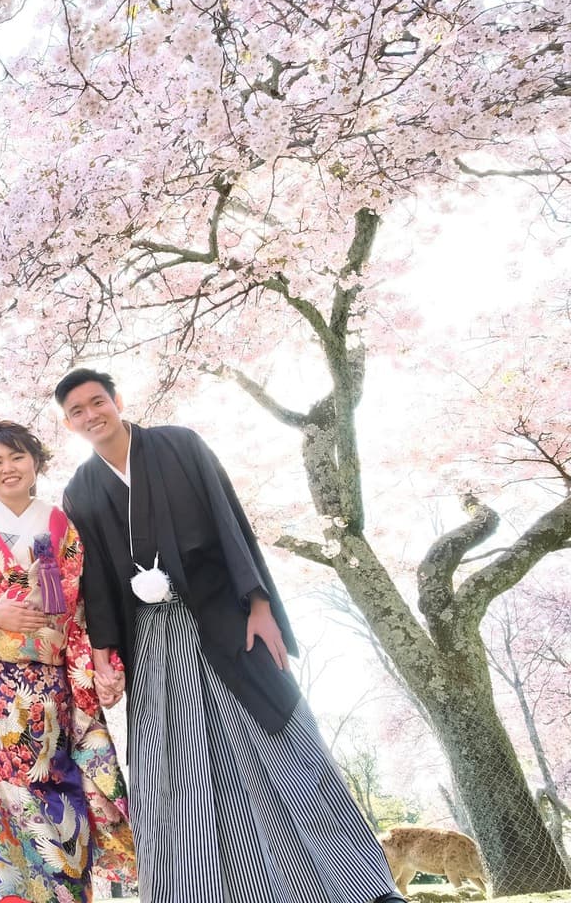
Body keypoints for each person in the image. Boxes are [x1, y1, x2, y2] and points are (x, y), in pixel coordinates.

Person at [55, 368, 407, 903]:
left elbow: (228, 521)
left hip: (223, 614)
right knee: (172, 768)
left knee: (283, 745)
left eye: (96, 401)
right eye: (77, 411)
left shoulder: (179, 445)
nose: (90, 415)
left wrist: (260, 606)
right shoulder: (80, 488)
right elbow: (97, 577)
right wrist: (105, 653)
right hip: (154, 640)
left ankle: (353, 884)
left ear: (117, 400)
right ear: (69, 423)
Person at [0, 421, 136, 903]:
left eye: (16, 458)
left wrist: (100, 664)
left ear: (36, 462)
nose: (7, 469)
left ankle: (65, 893)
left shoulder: (61, 525)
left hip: (49, 686)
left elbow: (82, 606)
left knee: (55, 788)